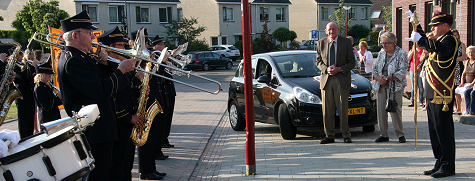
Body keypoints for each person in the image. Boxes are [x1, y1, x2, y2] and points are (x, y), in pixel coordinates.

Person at [57, 10, 138, 180]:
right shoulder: (73, 60)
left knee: (110, 172)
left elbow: (103, 84)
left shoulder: (82, 57)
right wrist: (121, 70)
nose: (93, 37)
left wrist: (104, 63)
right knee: (99, 176)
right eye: (88, 33)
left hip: (101, 130)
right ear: (75, 36)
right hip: (95, 131)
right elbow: (102, 91)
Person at [407, 10, 458, 178]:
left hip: (442, 93)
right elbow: (430, 42)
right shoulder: (440, 39)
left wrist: (421, 40)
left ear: (445, 26)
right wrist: (415, 23)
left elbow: (440, 49)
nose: (433, 29)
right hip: (433, 91)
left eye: (435, 26)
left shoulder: (449, 40)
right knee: (434, 129)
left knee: (443, 130)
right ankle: (440, 160)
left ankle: (448, 164)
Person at [315, 22, 356, 144]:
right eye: (329, 29)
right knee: (327, 110)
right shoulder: (321, 43)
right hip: (326, 79)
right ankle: (329, 135)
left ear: (338, 30)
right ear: (326, 31)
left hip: (341, 78)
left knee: (343, 108)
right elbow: (318, 61)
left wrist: (340, 69)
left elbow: (352, 62)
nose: (332, 31)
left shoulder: (346, 42)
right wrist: (325, 69)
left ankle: (346, 134)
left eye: (334, 29)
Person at [372, 32, 409, 143]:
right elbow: (374, 70)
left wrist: (388, 78)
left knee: (395, 110)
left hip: (395, 86)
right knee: (381, 111)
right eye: (382, 43)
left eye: (386, 43)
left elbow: (403, 71)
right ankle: (384, 134)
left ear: (393, 43)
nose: (384, 46)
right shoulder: (381, 54)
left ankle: (400, 134)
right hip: (381, 85)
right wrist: (379, 78)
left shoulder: (401, 53)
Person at [14, 49, 38, 139]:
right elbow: (23, 76)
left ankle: (31, 137)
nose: (30, 59)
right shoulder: (17, 66)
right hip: (22, 96)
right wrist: (32, 67)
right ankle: (24, 139)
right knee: (24, 121)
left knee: (31, 119)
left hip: (30, 95)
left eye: (32, 58)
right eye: (28, 58)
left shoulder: (28, 66)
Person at [455, 46, 475, 115]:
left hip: (473, 84)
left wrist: (472, 84)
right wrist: (462, 83)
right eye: (469, 52)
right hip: (467, 83)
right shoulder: (467, 62)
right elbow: (463, 73)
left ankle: (471, 111)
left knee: (470, 92)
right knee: (457, 90)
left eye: (472, 52)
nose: (471, 53)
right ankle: (463, 109)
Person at [452, 29, 467, 114]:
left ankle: (459, 108)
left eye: (456, 35)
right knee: (452, 89)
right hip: (451, 68)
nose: (455, 36)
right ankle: (454, 107)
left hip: (458, 68)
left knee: (457, 88)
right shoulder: (450, 45)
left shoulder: (462, 45)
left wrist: (454, 59)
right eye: (453, 35)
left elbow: (464, 57)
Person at [407, 43, 424, 107]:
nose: (417, 44)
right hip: (412, 69)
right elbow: (408, 58)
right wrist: (413, 51)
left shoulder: (422, 50)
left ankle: (421, 101)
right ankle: (413, 101)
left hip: (420, 69)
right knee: (413, 87)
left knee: (421, 86)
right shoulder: (412, 50)